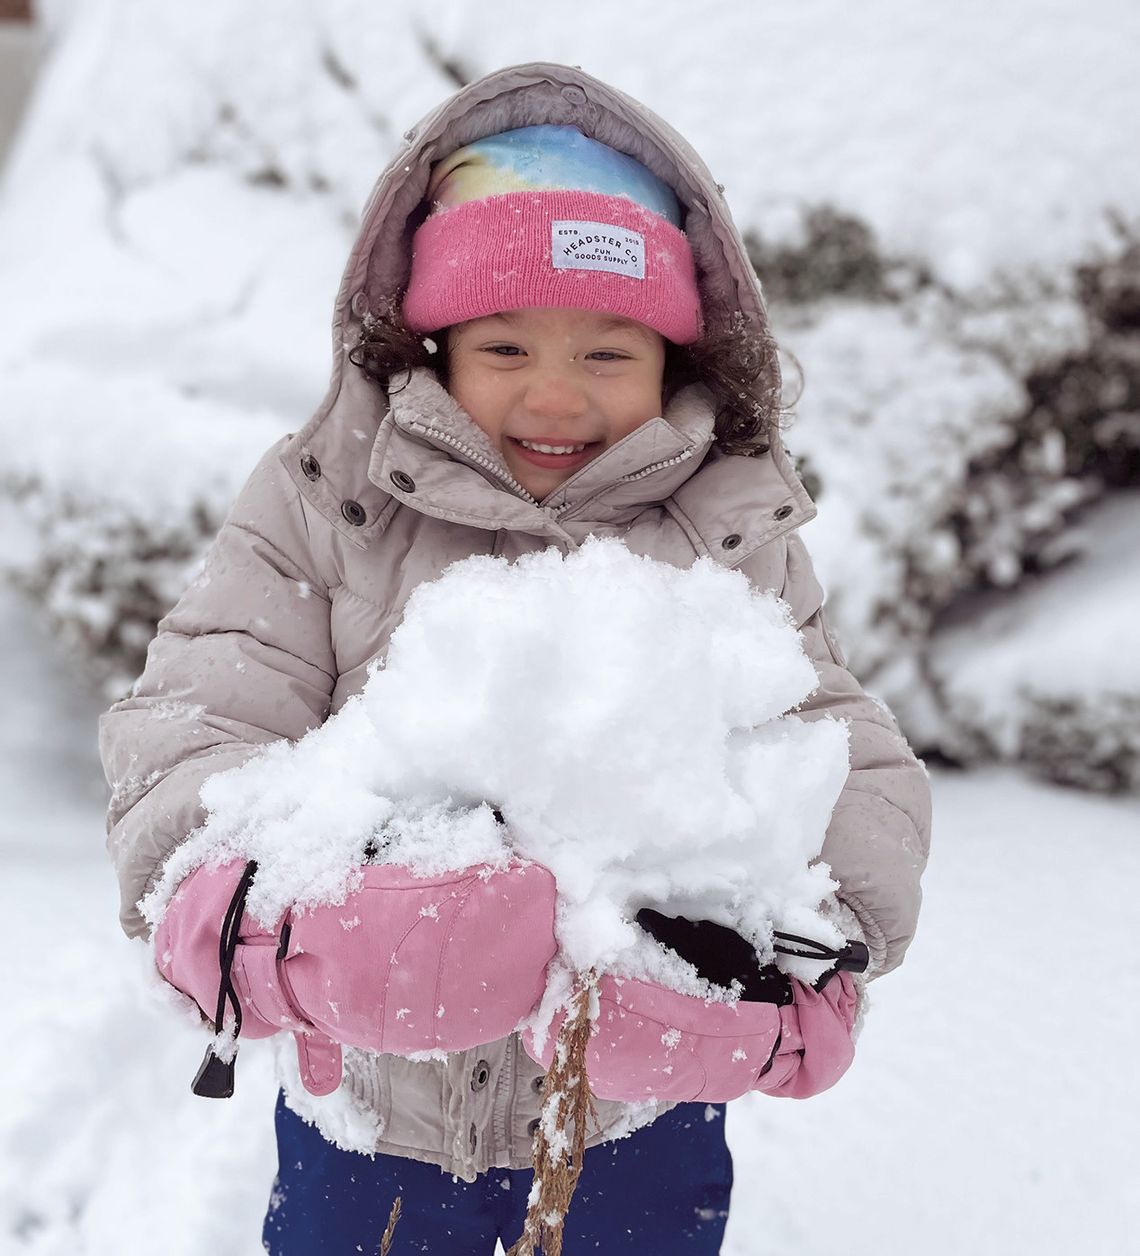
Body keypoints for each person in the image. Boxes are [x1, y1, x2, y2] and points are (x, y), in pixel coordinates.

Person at [99, 63, 932, 1254]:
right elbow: (190, 724)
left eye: (607, 353)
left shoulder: (724, 530)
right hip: (375, 1122)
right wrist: (277, 924)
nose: (556, 393)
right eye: (504, 346)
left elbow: (839, 753)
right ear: (432, 345)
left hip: (638, 1119)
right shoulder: (332, 504)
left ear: (679, 359)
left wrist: (817, 948)